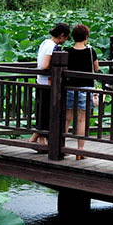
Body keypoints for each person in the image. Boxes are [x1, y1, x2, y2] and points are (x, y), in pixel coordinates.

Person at [29, 23, 70, 145]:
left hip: (40, 81)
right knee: (48, 113)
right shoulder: (53, 47)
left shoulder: (45, 42)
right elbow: (45, 65)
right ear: (62, 36)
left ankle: (38, 140)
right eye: (67, 38)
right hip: (48, 83)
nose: (66, 41)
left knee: (43, 112)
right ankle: (39, 140)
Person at [65, 24, 100, 159]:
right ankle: (80, 151)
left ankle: (62, 147)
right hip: (86, 87)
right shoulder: (91, 51)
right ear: (86, 37)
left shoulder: (68, 52)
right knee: (82, 120)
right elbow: (96, 69)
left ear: (73, 37)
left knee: (67, 118)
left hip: (71, 87)